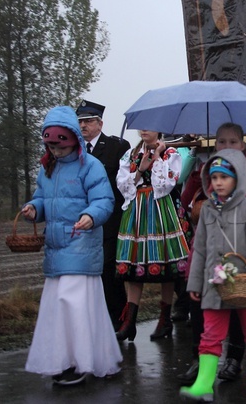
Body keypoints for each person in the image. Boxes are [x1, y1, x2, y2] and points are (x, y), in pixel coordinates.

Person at [21, 106, 121, 384]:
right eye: (50, 146)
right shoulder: (47, 169)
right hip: (56, 250)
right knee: (57, 307)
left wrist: (91, 215)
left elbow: (104, 200)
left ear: (73, 139)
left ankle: (79, 362)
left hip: (81, 246)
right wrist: (33, 208)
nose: (56, 151)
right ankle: (63, 359)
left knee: (75, 305)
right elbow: (41, 198)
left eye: (60, 146)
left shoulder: (91, 166)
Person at [177, 122, 246, 385]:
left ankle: (235, 358)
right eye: (221, 142)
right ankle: (199, 359)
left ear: (243, 144)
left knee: (239, 306)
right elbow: (186, 200)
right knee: (200, 306)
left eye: (232, 142)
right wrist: (200, 180)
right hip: (208, 253)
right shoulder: (208, 169)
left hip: (238, 253)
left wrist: (234, 199)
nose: (226, 147)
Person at [114, 129, 190, 342]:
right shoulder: (130, 154)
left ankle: (165, 319)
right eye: (142, 127)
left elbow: (165, 186)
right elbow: (123, 185)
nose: (144, 130)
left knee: (166, 266)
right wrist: (140, 169)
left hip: (161, 210)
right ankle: (129, 322)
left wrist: (157, 159)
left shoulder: (171, 153)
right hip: (136, 212)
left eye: (149, 126)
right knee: (133, 267)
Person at [76, 99, 131, 331]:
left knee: (108, 270)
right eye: (79, 122)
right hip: (84, 220)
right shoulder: (74, 150)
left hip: (110, 221)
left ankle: (117, 317)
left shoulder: (117, 147)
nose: (83, 126)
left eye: (88, 121)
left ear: (100, 123)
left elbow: (124, 184)